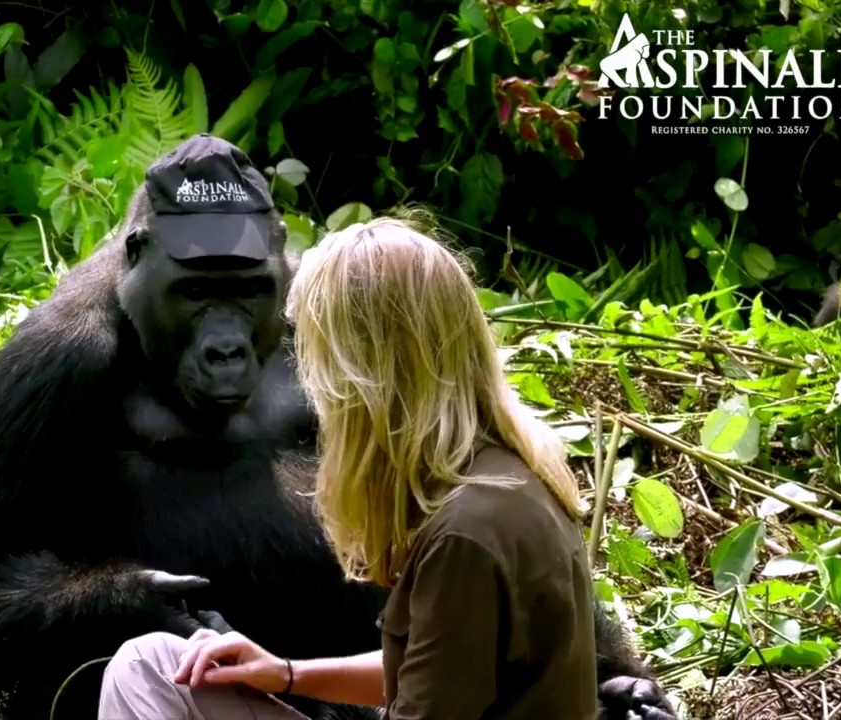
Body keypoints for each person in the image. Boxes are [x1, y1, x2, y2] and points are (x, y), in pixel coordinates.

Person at [97, 215, 600, 719]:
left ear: (368, 376)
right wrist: (285, 672)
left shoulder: (464, 535)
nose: (314, 393)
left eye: (319, 361)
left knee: (145, 684)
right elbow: (430, 666)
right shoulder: (501, 475)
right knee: (147, 664)